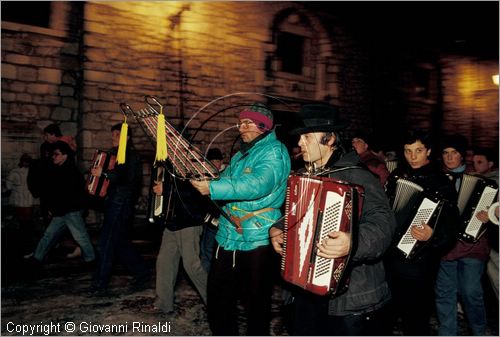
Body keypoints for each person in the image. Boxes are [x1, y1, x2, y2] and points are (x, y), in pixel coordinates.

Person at [269, 103, 397, 336]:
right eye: (300, 138)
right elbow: (296, 214)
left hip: (347, 296)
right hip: (302, 290)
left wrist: (353, 242)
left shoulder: (357, 176)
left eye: (307, 137)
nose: (299, 144)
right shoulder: (303, 175)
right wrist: (279, 227)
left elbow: (384, 223)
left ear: (329, 139)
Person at [190, 103, 291, 335]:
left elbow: (257, 184)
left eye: (247, 122)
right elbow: (224, 180)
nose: (241, 127)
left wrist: (213, 188)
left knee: (255, 301)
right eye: (240, 122)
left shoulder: (275, 151)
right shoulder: (239, 155)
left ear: (263, 126)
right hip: (228, 233)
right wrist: (204, 175)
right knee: (217, 296)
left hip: (258, 235)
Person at [383, 130, 459, 335]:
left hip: (419, 264)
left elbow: (452, 228)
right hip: (389, 259)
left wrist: (432, 236)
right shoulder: (397, 175)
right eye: (408, 151)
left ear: (429, 151)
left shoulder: (442, 183)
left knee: (415, 320)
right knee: (384, 317)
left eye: (418, 151)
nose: (412, 156)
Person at [435, 134, 490, 336]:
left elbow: (494, 208)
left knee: (471, 292)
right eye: (446, 153)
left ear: (462, 155)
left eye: (454, 153)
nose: (449, 158)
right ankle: (447, 333)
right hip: (445, 246)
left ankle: (479, 330)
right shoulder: (437, 178)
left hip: (473, 245)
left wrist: (489, 215)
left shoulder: (480, 179)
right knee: (444, 293)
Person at [89, 123, 150, 296]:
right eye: (113, 134)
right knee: (120, 242)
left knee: (107, 242)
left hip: (120, 203)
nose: (113, 137)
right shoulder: (117, 154)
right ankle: (141, 271)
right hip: (115, 202)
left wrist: (104, 174)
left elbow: (126, 178)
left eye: (117, 134)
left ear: (127, 138)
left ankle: (100, 283)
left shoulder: (130, 155)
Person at [28, 141, 95, 266]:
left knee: (80, 236)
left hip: (72, 210)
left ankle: (91, 260)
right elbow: (55, 193)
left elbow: (70, 195)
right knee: (49, 235)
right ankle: (37, 258)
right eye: (53, 154)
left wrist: (53, 208)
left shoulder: (71, 172)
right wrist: (52, 208)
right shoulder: (58, 170)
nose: (53, 156)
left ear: (65, 155)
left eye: (56, 154)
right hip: (62, 211)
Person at [471, 147, 499, 300]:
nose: (476, 165)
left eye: (480, 162)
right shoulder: (479, 179)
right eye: (474, 162)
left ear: (490, 163)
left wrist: (491, 215)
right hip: (488, 238)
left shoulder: (496, 180)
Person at [200, 147, 225, 273]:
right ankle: (206, 281)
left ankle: (212, 280)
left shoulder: (224, 177)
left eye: (217, 160)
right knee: (204, 250)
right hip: (206, 219)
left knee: (211, 251)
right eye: (212, 161)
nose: (215, 163)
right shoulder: (205, 176)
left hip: (218, 221)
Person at [5, 153, 36, 255]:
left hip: (18, 201)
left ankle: (22, 241)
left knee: (21, 222)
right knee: (28, 222)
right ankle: (27, 241)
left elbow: (8, 187)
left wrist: (15, 188)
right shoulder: (33, 172)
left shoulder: (14, 172)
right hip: (29, 201)